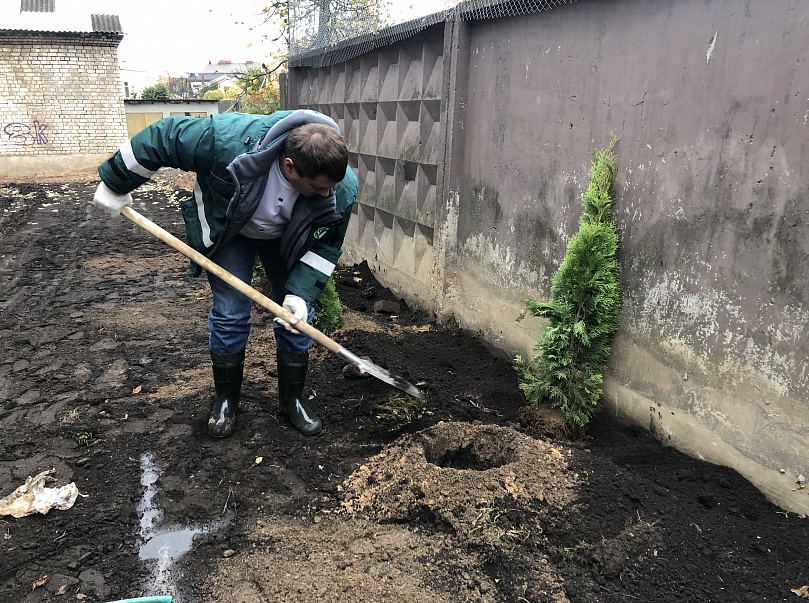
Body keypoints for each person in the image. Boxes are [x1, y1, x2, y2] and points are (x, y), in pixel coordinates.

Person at [92, 109, 358, 439]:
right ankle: (226, 400)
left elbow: (326, 247)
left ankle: (292, 400)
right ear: (290, 166)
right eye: (316, 188)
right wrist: (115, 183)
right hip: (232, 231)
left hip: (287, 242)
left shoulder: (339, 188)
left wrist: (300, 294)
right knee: (231, 313)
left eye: (328, 188)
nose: (324, 195)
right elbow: (164, 136)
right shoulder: (228, 141)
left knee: (297, 319)